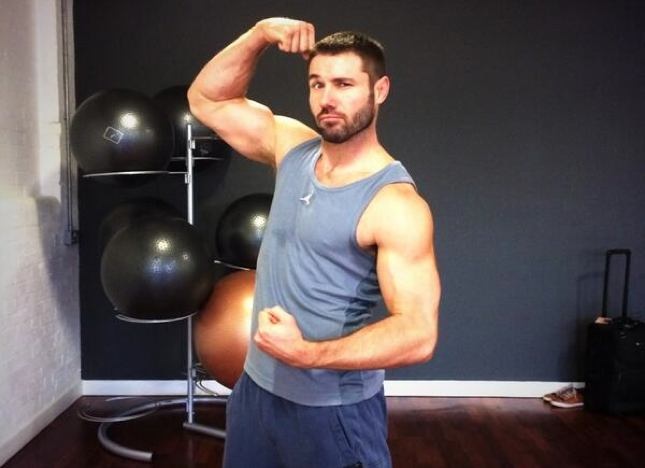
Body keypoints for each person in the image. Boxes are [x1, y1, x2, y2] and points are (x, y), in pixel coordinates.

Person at [188, 17, 441, 468]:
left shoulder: (394, 204)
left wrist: (309, 355)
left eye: (344, 84)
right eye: (317, 83)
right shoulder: (293, 149)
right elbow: (208, 100)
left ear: (380, 90)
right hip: (255, 393)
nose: (327, 99)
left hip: (332, 411)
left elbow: (418, 333)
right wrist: (260, 34)